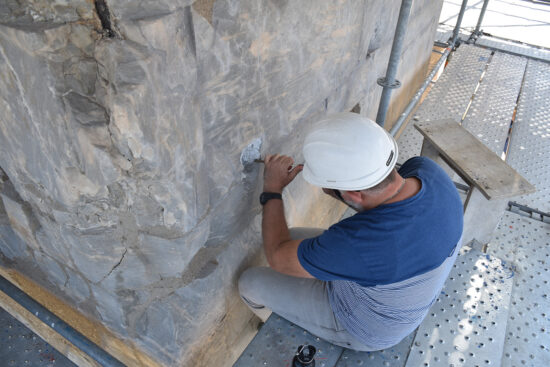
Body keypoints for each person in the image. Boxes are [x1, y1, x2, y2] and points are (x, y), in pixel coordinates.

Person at [238, 112, 463, 351]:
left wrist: (272, 189)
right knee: (291, 236)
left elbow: (277, 257)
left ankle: (278, 324)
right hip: (394, 287)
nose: (324, 188)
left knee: (250, 282)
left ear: (354, 195)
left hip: (365, 326)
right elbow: (378, 208)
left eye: (326, 186)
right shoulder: (428, 172)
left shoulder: (360, 243)